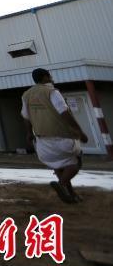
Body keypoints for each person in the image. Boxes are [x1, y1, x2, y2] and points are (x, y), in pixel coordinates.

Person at [21, 68, 89, 203]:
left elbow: (26, 117)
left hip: (42, 141)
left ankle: (71, 194)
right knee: (75, 163)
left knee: (58, 165)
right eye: (49, 76)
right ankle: (61, 184)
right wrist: (79, 131)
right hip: (61, 137)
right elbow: (64, 112)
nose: (52, 78)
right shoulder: (52, 92)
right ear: (45, 77)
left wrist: (29, 133)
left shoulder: (26, 95)